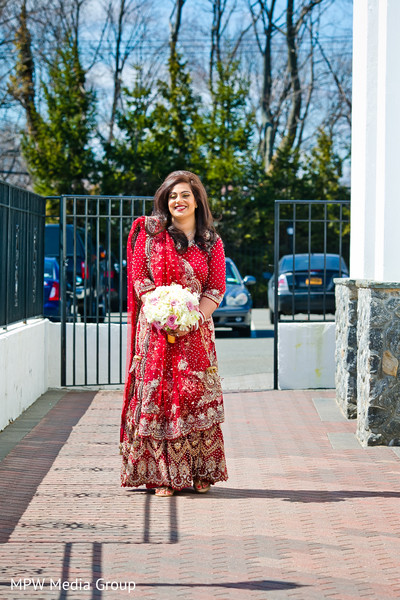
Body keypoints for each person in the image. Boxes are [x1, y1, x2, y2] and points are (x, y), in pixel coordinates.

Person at [120, 170, 228, 497]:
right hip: (155, 331)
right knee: (160, 397)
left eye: (185, 195)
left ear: (197, 201)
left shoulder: (211, 241)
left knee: (195, 396)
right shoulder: (150, 235)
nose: (178, 201)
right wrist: (163, 313)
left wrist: (190, 318)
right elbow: (140, 279)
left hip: (195, 332)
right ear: (165, 202)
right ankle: (162, 476)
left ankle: (199, 471)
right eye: (172, 196)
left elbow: (216, 286)